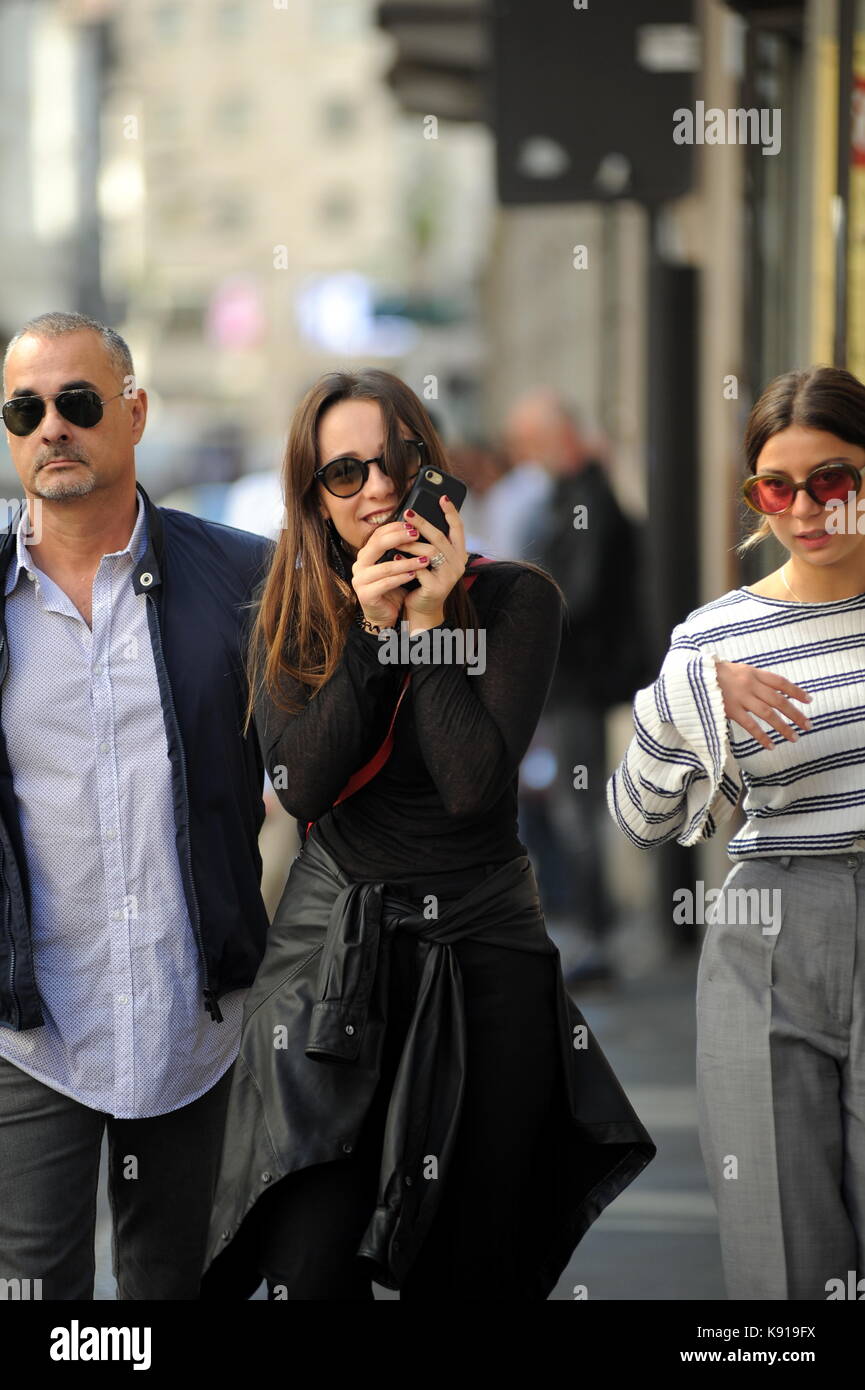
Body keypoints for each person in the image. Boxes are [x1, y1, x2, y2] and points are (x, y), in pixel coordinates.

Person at [200, 368, 654, 1301]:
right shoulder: (284, 613)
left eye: (394, 462)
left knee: (470, 1267)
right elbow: (303, 782)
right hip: (333, 962)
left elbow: (473, 784)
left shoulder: (517, 600)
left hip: (480, 954)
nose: (373, 489)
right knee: (309, 1258)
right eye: (343, 474)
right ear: (315, 503)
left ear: (433, 472)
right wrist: (370, 632)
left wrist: (433, 623)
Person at [0, 311, 273, 1299]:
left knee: (183, 1287)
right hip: (31, 1031)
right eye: (24, 410)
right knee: (35, 1290)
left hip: (194, 1019)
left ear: (135, 411)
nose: (51, 429)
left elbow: (318, 770)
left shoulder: (242, 575)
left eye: (77, 402)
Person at [608, 364, 865, 1300]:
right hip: (767, 927)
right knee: (779, 1260)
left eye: (832, 479)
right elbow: (642, 820)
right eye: (776, 487)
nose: (806, 507)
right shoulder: (714, 638)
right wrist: (685, 700)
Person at [504, 390, 649, 982]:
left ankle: (594, 938)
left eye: (532, 442)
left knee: (576, 811)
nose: (526, 454)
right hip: (564, 682)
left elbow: (579, 595)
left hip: (577, 682)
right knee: (564, 808)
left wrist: (524, 616)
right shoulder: (570, 493)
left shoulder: (587, 497)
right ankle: (585, 930)